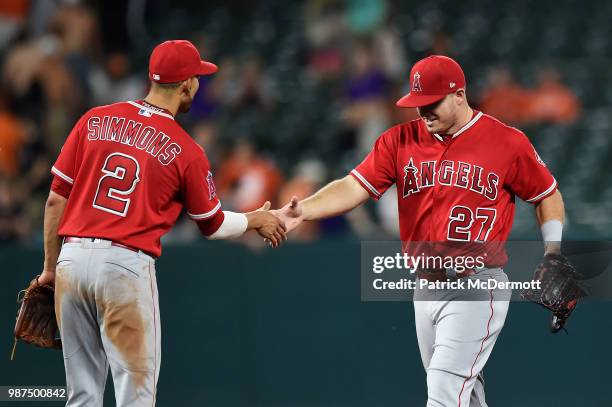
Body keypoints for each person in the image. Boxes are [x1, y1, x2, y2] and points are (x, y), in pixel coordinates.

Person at [274, 55, 564, 406]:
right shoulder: (398, 140)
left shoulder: (506, 142)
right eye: (418, 104)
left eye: (432, 103)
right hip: (424, 286)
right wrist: (305, 209)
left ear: (460, 94)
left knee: (443, 392)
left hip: (476, 283)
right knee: (464, 396)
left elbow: (546, 195)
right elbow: (354, 186)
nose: (423, 112)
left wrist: (553, 253)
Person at [36, 39, 287, 407]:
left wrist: (49, 268)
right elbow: (213, 225)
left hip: (71, 260)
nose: (198, 85)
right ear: (186, 85)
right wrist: (256, 219)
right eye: (197, 78)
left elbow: (57, 198)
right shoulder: (186, 149)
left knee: (82, 396)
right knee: (136, 397)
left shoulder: (94, 119)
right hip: (123, 266)